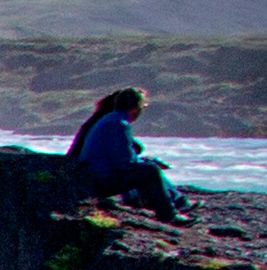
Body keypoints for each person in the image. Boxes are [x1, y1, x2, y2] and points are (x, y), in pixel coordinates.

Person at [64, 87, 186, 219]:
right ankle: (168, 214)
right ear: (134, 108)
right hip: (100, 180)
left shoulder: (109, 119)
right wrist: (146, 165)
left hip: (94, 175)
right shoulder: (118, 124)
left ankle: (167, 203)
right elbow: (124, 162)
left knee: (147, 166)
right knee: (150, 171)